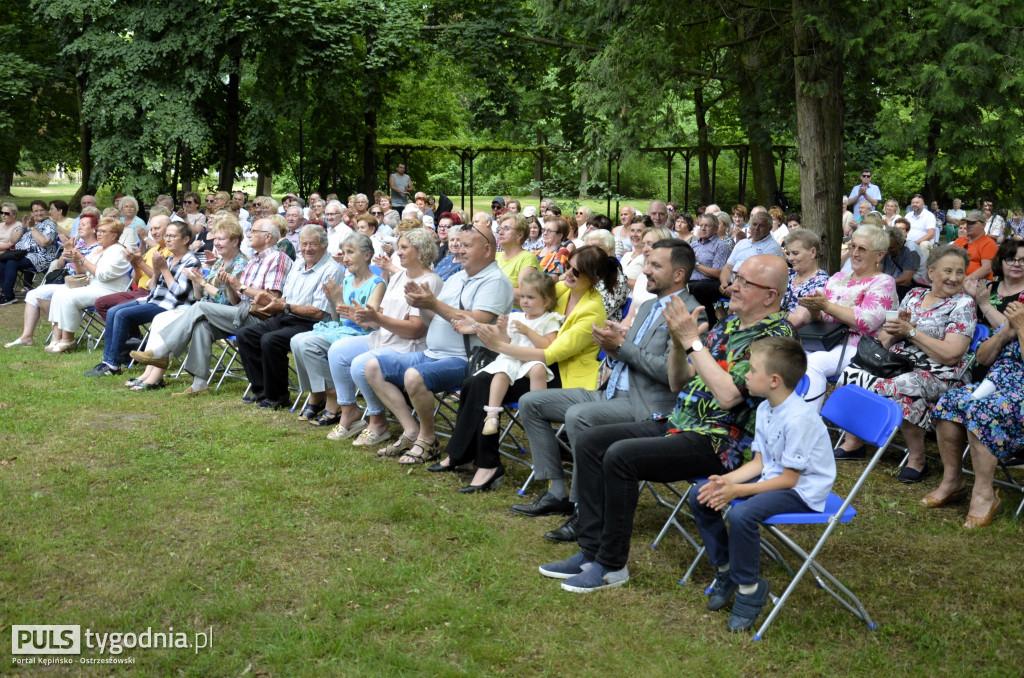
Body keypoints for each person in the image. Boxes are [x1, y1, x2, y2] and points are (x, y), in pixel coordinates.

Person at [537, 255, 794, 592]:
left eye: (745, 282)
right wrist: (677, 343)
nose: (733, 286)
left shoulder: (776, 337)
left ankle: (611, 566)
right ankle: (591, 552)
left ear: (770, 296)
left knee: (620, 456)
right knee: (590, 441)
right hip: (681, 422)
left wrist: (692, 341)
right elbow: (677, 381)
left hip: (723, 442)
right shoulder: (730, 324)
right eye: (737, 278)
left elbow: (729, 396)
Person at [513, 240, 706, 542]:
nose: (646, 270)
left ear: (679, 274)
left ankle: (583, 511)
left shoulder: (693, 315)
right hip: (611, 391)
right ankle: (556, 491)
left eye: (656, 265)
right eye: (648, 263)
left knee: (579, 416)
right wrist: (612, 346)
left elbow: (671, 377)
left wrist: (622, 348)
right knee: (531, 402)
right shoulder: (651, 306)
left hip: (646, 406)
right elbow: (631, 354)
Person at [431, 247, 611, 492]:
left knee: (483, 384)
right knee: (475, 380)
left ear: (595, 278)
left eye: (576, 271)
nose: (567, 273)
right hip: (528, 362)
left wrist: (499, 346)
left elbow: (550, 354)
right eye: (568, 265)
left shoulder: (593, 311)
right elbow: (525, 321)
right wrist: (476, 325)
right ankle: (461, 454)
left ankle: (486, 465)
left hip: (559, 374)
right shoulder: (560, 290)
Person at [689, 336, 835, 632]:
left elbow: (788, 479)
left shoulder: (798, 419)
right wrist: (724, 482)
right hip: (775, 478)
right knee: (700, 494)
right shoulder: (766, 408)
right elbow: (759, 463)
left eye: (753, 370)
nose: (746, 375)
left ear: (774, 380)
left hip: (802, 491)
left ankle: (749, 589)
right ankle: (727, 569)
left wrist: (737, 491)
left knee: (743, 515)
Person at [362, 222, 512, 464]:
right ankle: (411, 431)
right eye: (459, 245)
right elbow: (433, 316)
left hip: (468, 359)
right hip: (432, 353)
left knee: (414, 376)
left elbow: (479, 320)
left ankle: (428, 439)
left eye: (467, 246)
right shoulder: (456, 278)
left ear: (486, 250)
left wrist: (432, 303)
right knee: (372, 367)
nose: (459, 250)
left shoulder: (495, 280)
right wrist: (420, 305)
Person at [835, 245, 975, 483]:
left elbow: (952, 355)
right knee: (852, 372)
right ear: (931, 272)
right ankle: (854, 442)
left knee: (904, 386)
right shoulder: (913, 295)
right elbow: (884, 339)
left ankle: (917, 460)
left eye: (959, 272)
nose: (954, 278)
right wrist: (893, 333)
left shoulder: (963, 305)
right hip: (898, 363)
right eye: (948, 271)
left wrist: (911, 332)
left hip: (942, 373)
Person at [128, 217, 292, 397]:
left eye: (253, 231)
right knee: (201, 326)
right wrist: (212, 284)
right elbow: (235, 300)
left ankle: (160, 352)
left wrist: (236, 286)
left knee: (199, 308)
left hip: (260, 316)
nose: (249, 234)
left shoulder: (276, 259)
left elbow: (271, 299)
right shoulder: (254, 260)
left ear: (268, 236)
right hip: (239, 311)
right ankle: (199, 385)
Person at [325, 228, 440, 444]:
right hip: (385, 338)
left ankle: (378, 421)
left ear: (421, 251)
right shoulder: (399, 277)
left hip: (409, 346)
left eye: (404, 247)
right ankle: (349, 411)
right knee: (338, 351)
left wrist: (377, 319)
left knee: (360, 363)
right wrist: (363, 318)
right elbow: (383, 316)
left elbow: (415, 329)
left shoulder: (429, 282)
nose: (399, 252)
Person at [926, 301, 1024, 528]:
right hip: (995, 387)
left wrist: (1020, 328)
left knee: (983, 413)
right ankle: (953, 480)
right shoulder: (1018, 317)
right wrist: (1003, 335)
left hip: (1018, 396)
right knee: (950, 403)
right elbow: (982, 359)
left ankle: (984, 495)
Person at [789, 224, 898, 411]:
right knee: (786, 358)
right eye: (852, 246)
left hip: (859, 346)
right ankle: (785, 417)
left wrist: (826, 306)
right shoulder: (838, 277)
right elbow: (815, 318)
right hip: (824, 342)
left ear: (880, 255)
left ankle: (808, 425)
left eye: (862, 249)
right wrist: (814, 310)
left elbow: (866, 321)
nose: (854, 253)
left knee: (814, 364)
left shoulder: (883, 282)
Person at [236, 225, 344, 409]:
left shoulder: (331, 270)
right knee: (246, 334)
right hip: (289, 315)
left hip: (315, 324)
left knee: (271, 340)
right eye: (304, 244)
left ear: (324, 246)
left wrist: (284, 306)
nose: (308, 248)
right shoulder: (298, 264)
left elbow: (318, 312)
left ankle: (278, 396)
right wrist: (268, 301)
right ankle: (262, 390)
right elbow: (286, 298)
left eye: (313, 244)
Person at [289, 233, 386, 425]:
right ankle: (318, 391)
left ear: (367, 256)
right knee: (296, 340)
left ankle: (332, 395)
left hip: (363, 334)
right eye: (344, 253)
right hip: (344, 330)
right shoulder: (348, 280)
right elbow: (339, 319)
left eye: (351, 253)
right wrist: (334, 300)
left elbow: (371, 322)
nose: (345, 258)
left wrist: (344, 304)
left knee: (308, 344)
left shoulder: (377, 284)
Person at [84, 221, 200, 377]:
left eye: (172, 236)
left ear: (185, 239)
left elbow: (180, 294)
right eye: (167, 236)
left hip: (172, 306)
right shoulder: (169, 257)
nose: (168, 239)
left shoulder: (190, 261)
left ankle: (113, 364)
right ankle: (107, 362)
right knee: (112, 311)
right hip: (154, 299)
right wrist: (158, 272)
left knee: (121, 315)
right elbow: (152, 286)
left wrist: (164, 270)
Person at [478, 271, 563, 435]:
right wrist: (502, 330)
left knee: (539, 369)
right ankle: (492, 415)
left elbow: (547, 346)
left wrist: (528, 332)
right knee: (501, 373)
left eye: (530, 297)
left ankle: (537, 412)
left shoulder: (550, 319)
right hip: (514, 358)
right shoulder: (517, 317)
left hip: (532, 359)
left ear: (546, 302)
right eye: (523, 296)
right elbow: (507, 343)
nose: (524, 301)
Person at [6, 211, 103, 350]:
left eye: (83, 225)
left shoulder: (97, 248)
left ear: (94, 229)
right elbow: (59, 267)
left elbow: (82, 274)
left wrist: (73, 254)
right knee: (32, 294)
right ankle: (27, 336)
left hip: (81, 285)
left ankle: (56, 335)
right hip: (66, 282)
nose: (79, 227)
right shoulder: (79, 243)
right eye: (79, 225)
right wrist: (65, 254)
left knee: (42, 293)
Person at [38, 218, 132, 351]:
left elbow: (102, 275)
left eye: (103, 231)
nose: (98, 234)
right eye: (98, 230)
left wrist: (81, 259)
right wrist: (75, 259)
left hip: (111, 291)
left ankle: (68, 340)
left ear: (114, 235)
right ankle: (57, 337)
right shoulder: (100, 249)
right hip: (93, 287)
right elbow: (83, 273)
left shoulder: (118, 251)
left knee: (69, 297)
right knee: (59, 293)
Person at [0, 200, 59, 305]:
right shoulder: (27, 224)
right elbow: (12, 241)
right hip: (22, 255)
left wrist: (32, 228)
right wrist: (23, 227)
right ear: (31, 213)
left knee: (12, 262)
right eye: (35, 211)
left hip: (41, 257)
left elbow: (44, 243)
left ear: (45, 211)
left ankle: (7, 295)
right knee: (2, 261)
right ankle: (7, 291)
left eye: (41, 210)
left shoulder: (50, 224)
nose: (39, 213)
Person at [718, 212, 784, 297]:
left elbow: (761, 276)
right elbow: (727, 267)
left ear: (770, 228)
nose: (756, 228)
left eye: (761, 226)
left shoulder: (772, 248)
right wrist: (724, 283)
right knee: (700, 290)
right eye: (754, 224)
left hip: (754, 288)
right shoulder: (742, 243)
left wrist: (736, 286)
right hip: (732, 283)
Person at [688, 214, 731, 316]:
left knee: (697, 288)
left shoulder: (721, 246)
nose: (703, 228)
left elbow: (718, 273)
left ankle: (709, 322)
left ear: (716, 229)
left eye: (707, 226)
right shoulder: (693, 245)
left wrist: (695, 264)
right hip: (691, 281)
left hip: (712, 282)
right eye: (701, 225)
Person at [495, 212, 541, 308]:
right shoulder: (496, 256)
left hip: (514, 315)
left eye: (506, 228)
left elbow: (525, 295)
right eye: (500, 228)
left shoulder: (527, 259)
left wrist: (491, 288)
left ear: (520, 235)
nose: (500, 232)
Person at [781, 230, 830, 315]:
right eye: (789, 253)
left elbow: (800, 319)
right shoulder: (788, 274)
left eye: (795, 253)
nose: (790, 258)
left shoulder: (821, 282)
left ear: (812, 252)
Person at [953, 210, 998, 281]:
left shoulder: (989, 243)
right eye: (968, 223)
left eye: (973, 223)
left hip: (977, 282)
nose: (969, 226)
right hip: (954, 279)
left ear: (983, 224)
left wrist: (966, 280)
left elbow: (987, 268)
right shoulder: (959, 241)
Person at [880, 226, 920, 299]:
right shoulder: (885, 247)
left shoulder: (911, 250)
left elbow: (906, 281)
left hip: (913, 287)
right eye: (886, 248)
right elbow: (879, 272)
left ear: (901, 243)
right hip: (891, 284)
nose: (887, 251)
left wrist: (882, 283)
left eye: (891, 248)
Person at [618, 219, 647, 288]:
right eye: (632, 230)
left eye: (639, 231)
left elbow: (645, 285)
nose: (634, 234)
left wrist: (617, 279)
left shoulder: (648, 258)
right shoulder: (627, 255)